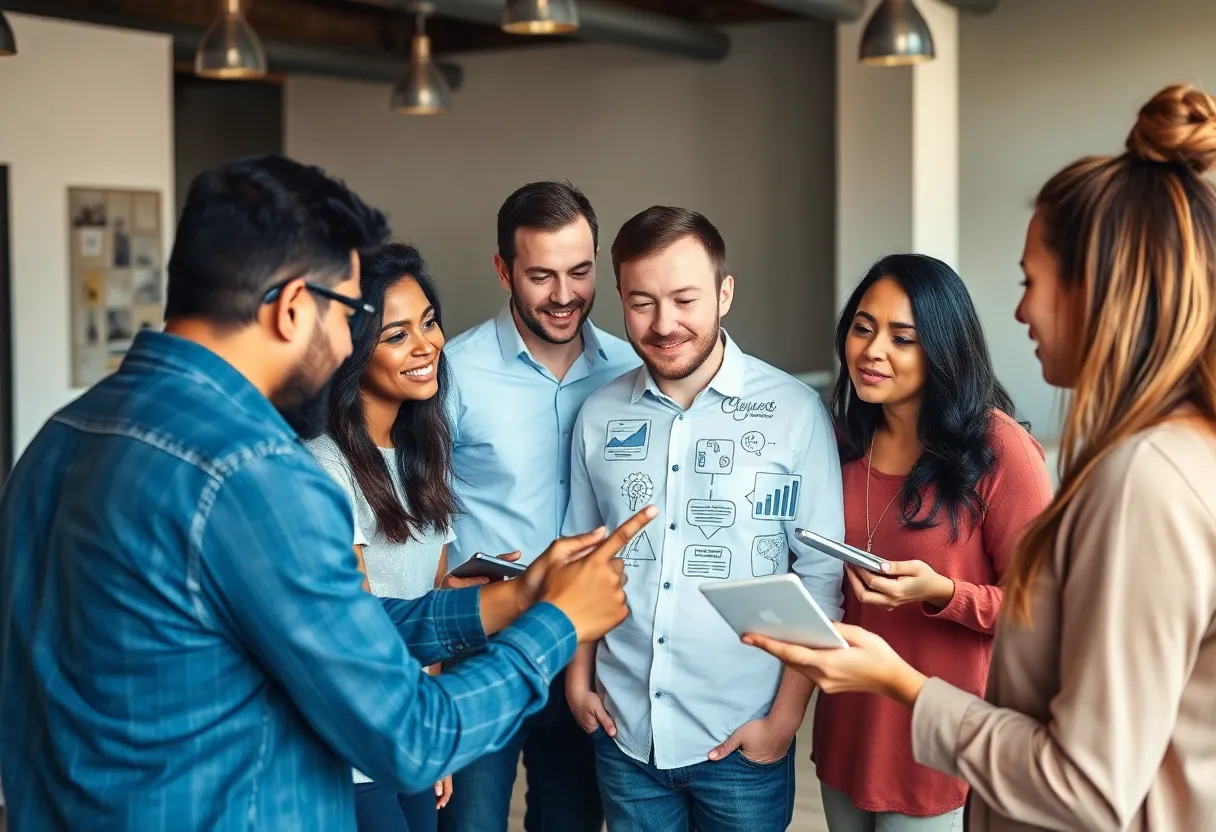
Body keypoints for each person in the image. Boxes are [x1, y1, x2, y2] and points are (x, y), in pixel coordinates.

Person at [0, 154, 654, 831]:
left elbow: (341, 624)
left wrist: (516, 598)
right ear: (290, 309)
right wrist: (560, 624)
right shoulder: (256, 474)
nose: (349, 339)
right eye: (349, 313)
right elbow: (412, 737)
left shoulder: (62, 434)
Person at [745, 83, 1216, 831]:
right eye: (863, 328)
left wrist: (911, 670)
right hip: (859, 740)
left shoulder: (1133, 478)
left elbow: (1087, 783)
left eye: (1032, 282)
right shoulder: (838, 438)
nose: (1022, 311)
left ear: (1096, 292)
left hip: (941, 764)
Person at [563, 205, 845, 832]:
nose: (665, 325)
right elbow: (584, 556)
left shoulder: (795, 413)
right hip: (625, 730)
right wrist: (578, 681)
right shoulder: (598, 414)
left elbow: (822, 578)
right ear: (619, 298)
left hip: (740, 735)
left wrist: (784, 721)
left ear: (725, 292)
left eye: (685, 300)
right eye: (642, 303)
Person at [813, 254, 1052, 831]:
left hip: (939, 742)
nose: (873, 351)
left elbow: (1046, 609)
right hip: (846, 730)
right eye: (863, 327)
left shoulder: (999, 448)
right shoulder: (839, 439)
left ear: (944, 349)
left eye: (903, 338)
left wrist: (945, 592)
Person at [440, 181, 640, 832]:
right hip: (484, 641)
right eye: (541, 276)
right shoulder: (453, 372)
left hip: (586, 645)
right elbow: (418, 511)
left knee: (573, 821)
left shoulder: (630, 369)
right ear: (504, 269)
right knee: (469, 823)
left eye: (580, 272)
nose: (563, 295)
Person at [306, 243, 497, 831]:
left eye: (430, 322)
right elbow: (357, 632)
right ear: (352, 351)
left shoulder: (423, 455)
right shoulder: (323, 467)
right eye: (396, 335)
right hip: (354, 751)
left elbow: (423, 602)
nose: (427, 345)